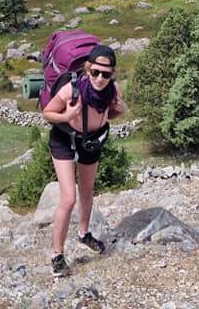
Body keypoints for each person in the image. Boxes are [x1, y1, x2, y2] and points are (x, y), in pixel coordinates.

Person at [40, 44, 127, 277]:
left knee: (87, 191)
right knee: (68, 199)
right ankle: (57, 255)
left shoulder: (112, 90)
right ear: (88, 69)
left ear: (112, 74)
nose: (100, 78)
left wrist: (121, 109)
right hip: (64, 139)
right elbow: (48, 113)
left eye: (106, 74)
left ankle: (84, 233)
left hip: (91, 141)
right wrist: (67, 115)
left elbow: (110, 113)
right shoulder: (72, 90)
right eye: (95, 72)